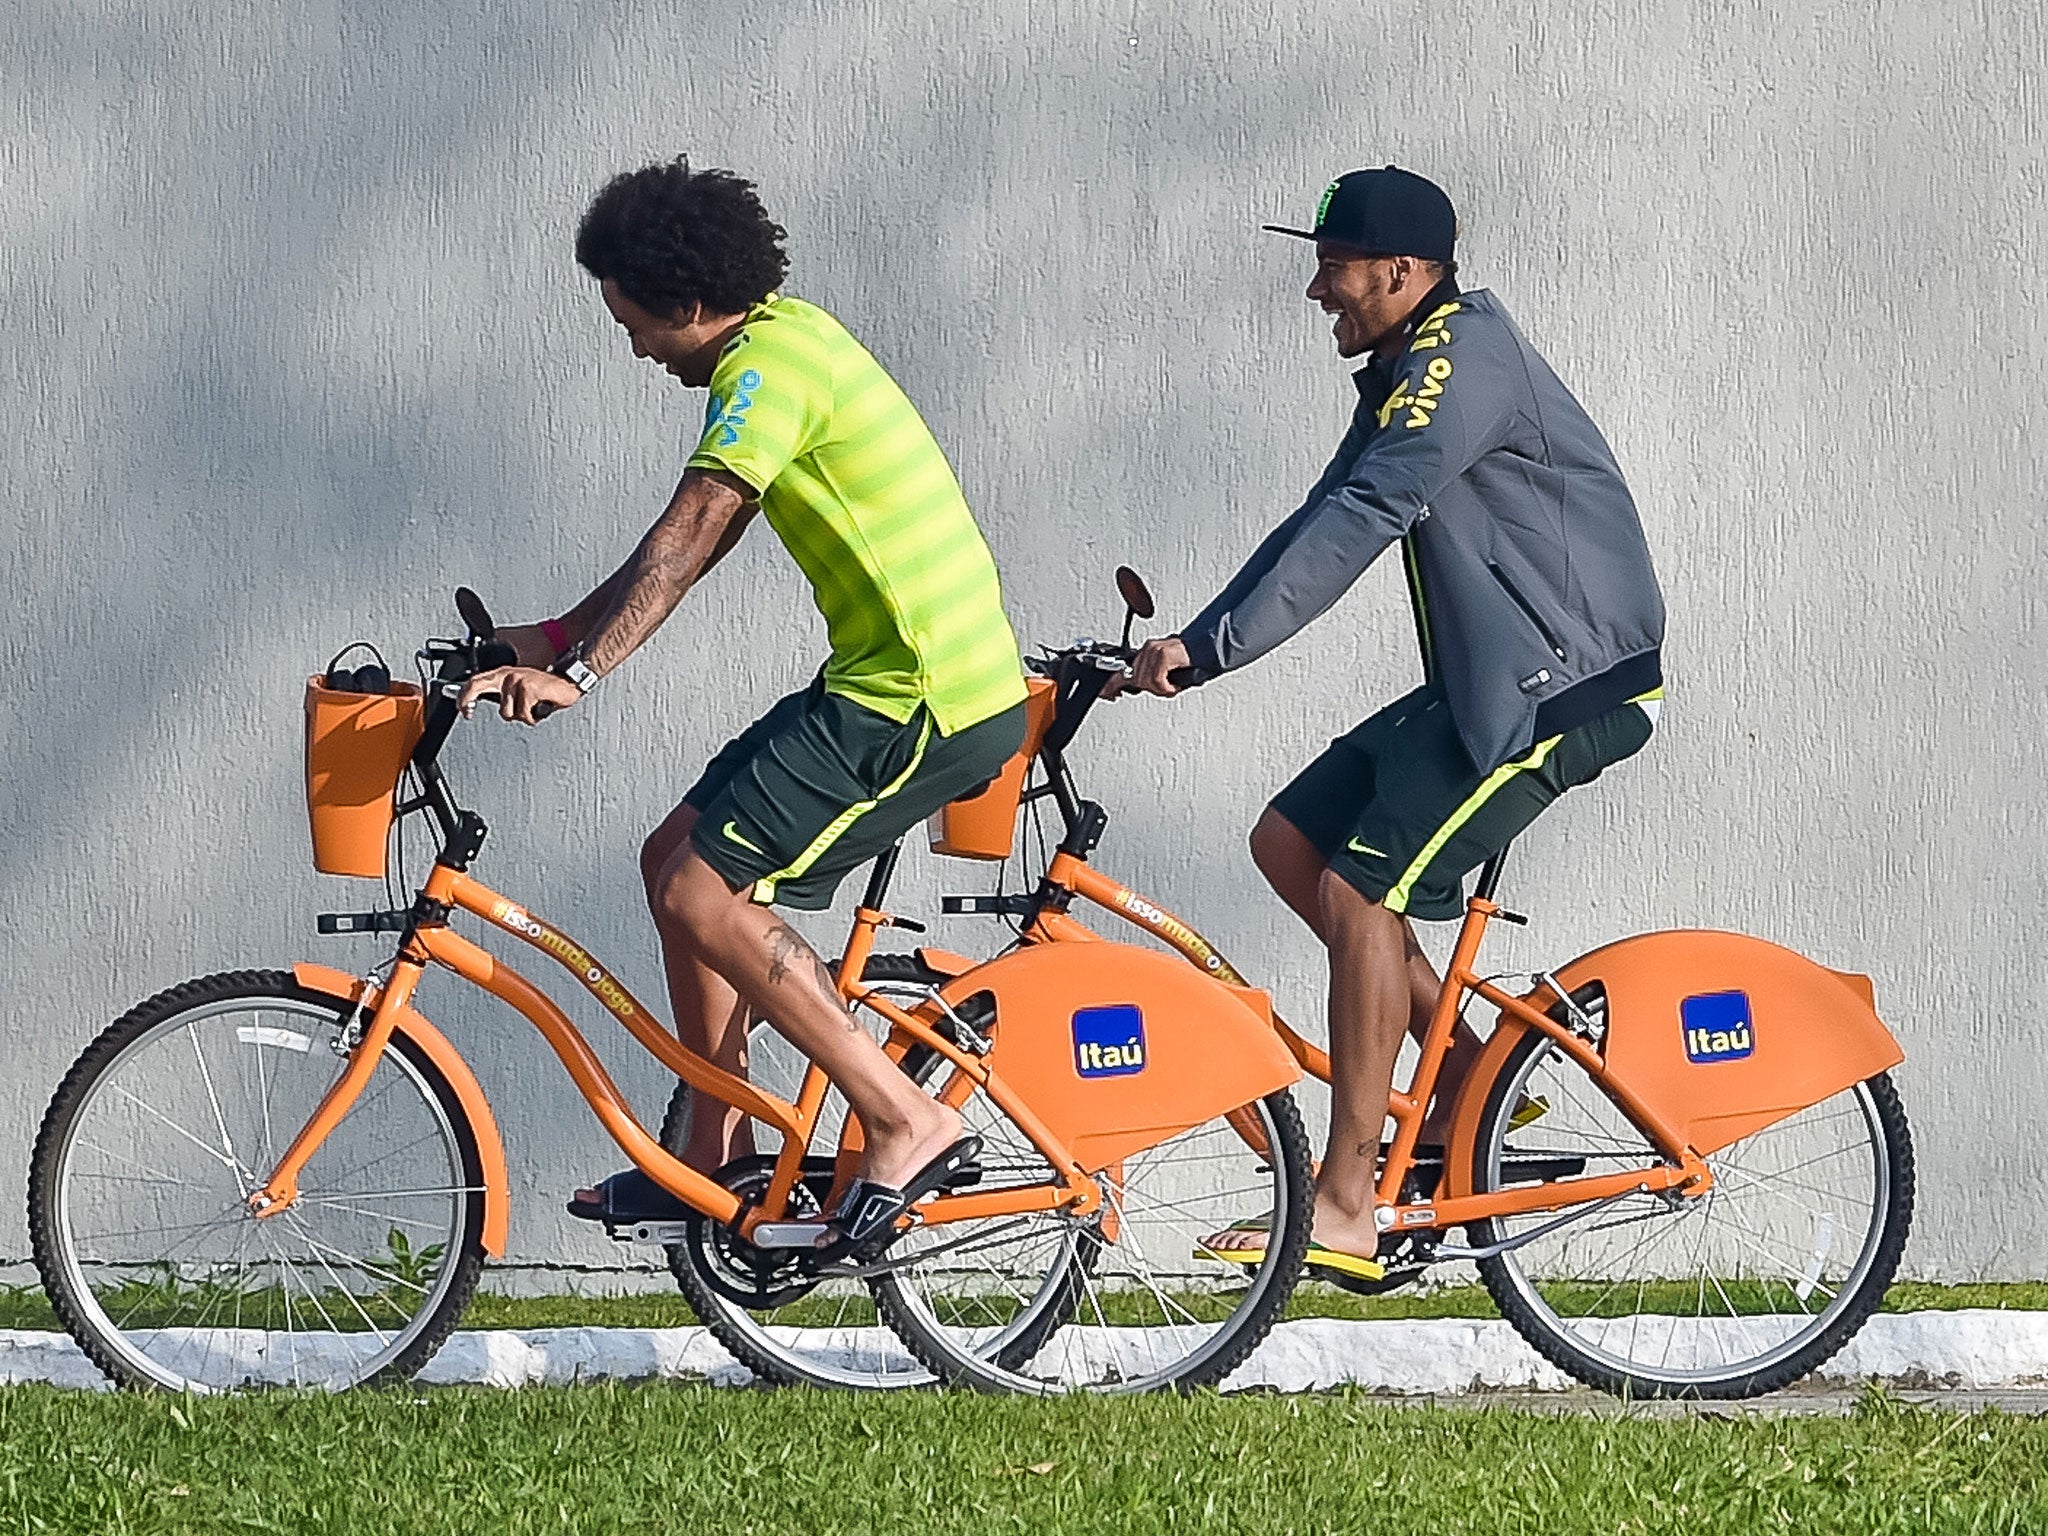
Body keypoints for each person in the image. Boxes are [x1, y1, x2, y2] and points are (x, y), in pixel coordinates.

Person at [459, 158, 1028, 1260]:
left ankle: (905, 1116)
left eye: (629, 320)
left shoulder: (764, 372)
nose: (627, 344)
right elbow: (697, 536)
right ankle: (711, 1155)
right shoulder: (784, 336)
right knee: (672, 853)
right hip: (893, 682)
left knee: (699, 886)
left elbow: (690, 528)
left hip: (921, 700)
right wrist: (561, 636)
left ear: (681, 303)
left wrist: (578, 678)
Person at [1116, 166, 1666, 1280]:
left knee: (1361, 894)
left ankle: (1348, 1199)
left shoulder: (1456, 366)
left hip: (1564, 686)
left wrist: (1218, 650)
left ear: (1402, 273)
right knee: (1292, 845)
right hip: (1494, 675)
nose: (1320, 291)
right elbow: (1322, 509)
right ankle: (1466, 1088)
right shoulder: (1409, 366)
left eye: (1335, 269)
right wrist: (1197, 637)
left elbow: (1367, 514)